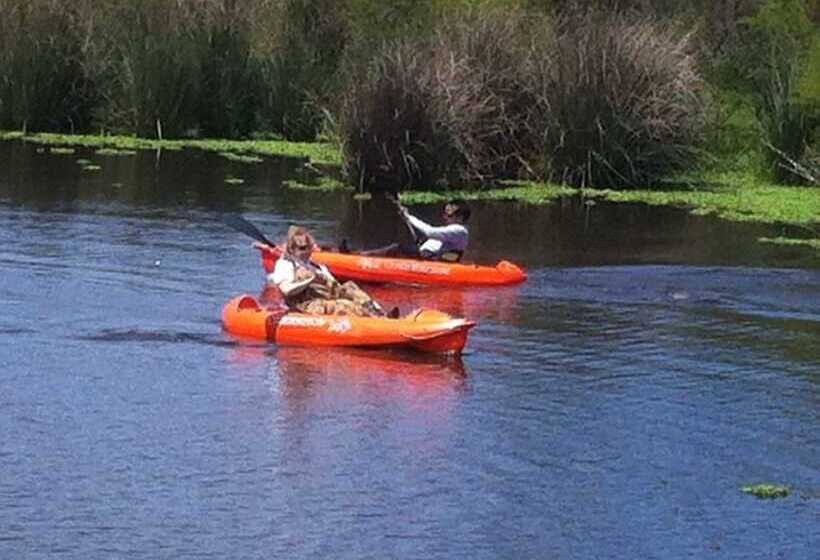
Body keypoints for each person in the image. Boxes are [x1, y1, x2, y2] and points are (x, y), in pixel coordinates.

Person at [269, 226, 398, 318]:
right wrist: (309, 280)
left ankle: (380, 314)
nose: (307, 251)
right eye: (302, 248)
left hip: (326, 298)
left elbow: (334, 285)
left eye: (309, 247)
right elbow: (287, 290)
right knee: (343, 305)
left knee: (350, 287)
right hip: (306, 305)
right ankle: (375, 322)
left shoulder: (316, 266)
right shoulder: (285, 265)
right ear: (292, 248)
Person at [345, 198, 471, 261]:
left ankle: (359, 257)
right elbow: (434, 239)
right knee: (399, 248)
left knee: (397, 247)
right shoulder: (454, 230)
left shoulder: (459, 230)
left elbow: (430, 232)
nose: (444, 216)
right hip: (428, 257)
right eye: (444, 213)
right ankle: (358, 254)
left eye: (449, 214)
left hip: (435, 262)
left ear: (460, 217)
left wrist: (408, 217)